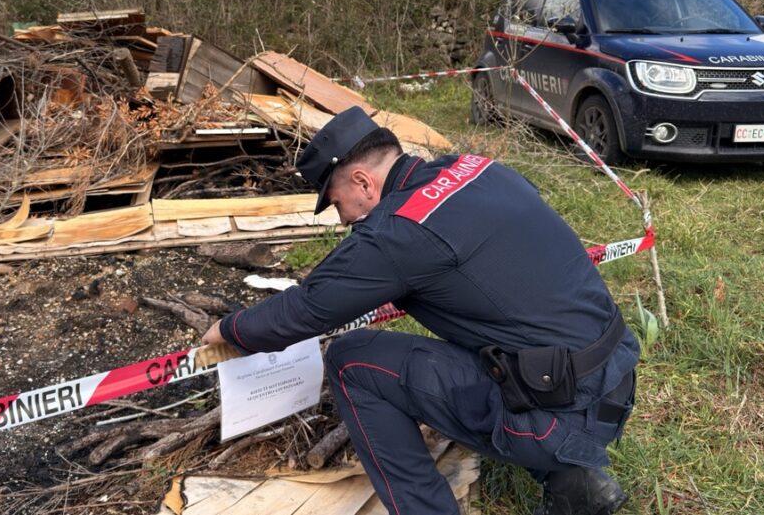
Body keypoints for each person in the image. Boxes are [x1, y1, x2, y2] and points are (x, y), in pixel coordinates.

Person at [201, 106, 639, 515]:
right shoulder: (476, 168)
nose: (341, 221)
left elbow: (303, 311)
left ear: (362, 182)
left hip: (559, 416)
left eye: (336, 204)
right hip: (615, 380)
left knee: (350, 360)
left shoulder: (398, 232)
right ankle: (577, 480)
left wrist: (229, 328)